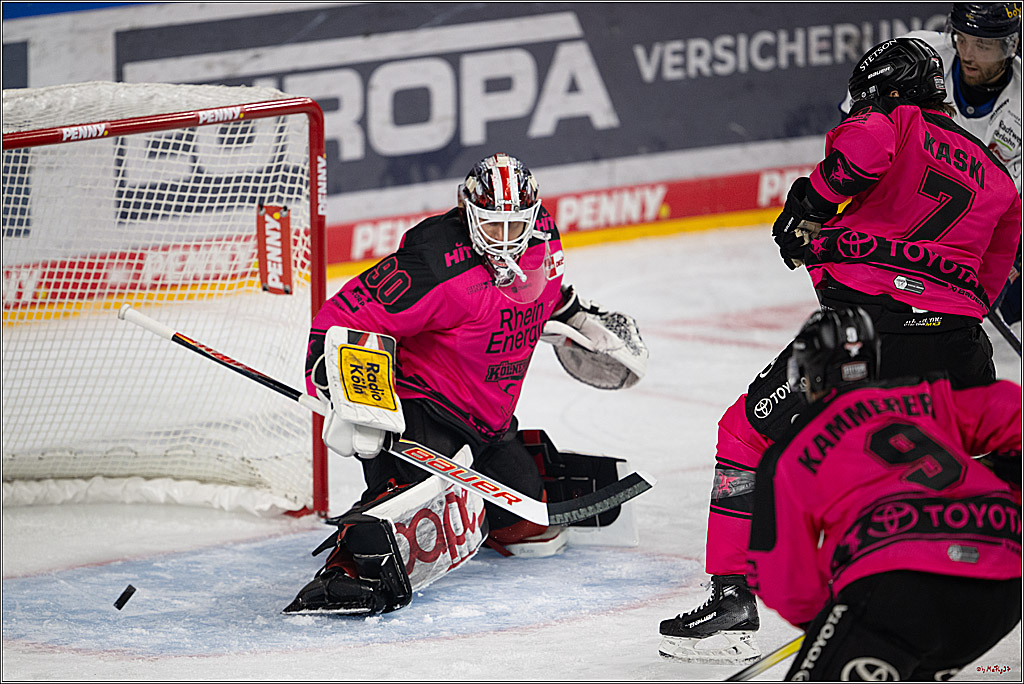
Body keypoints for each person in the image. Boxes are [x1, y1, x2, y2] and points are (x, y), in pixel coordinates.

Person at [658, 36, 1021, 664]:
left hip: (866, 336)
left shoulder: (891, 121)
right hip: (961, 349)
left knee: (745, 436)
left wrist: (812, 202)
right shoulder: (995, 173)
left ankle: (734, 597)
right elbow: (989, 281)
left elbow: (865, 149)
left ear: (888, 93)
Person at [282, 152, 649, 615]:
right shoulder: (435, 261)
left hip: (489, 419)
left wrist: (576, 317)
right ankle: (351, 567)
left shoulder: (545, 238)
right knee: (408, 507)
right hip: (424, 406)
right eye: (492, 226)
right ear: (466, 210)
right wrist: (351, 394)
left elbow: (547, 289)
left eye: (515, 226)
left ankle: (497, 483)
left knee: (524, 526)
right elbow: (346, 316)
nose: (504, 240)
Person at [747, 306, 1022, 681]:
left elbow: (783, 578)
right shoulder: (928, 395)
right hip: (1003, 582)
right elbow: (1013, 410)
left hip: (896, 589)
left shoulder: (791, 452)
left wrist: (833, 620)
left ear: (806, 374)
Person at [840, 2, 1023, 324]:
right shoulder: (917, 60)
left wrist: (1016, 259)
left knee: (1012, 301)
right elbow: (857, 124)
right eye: (962, 38)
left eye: (982, 45)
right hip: (904, 212)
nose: (967, 52)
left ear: (1011, 46)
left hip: (985, 226)